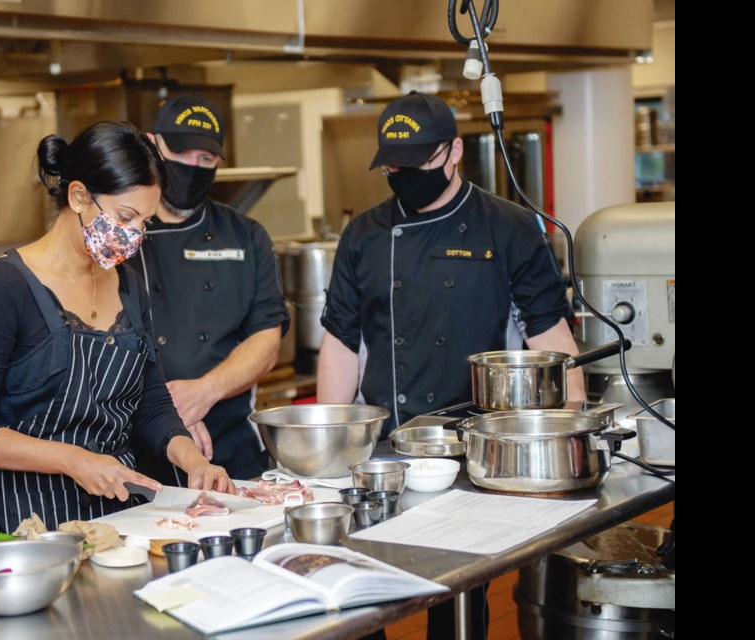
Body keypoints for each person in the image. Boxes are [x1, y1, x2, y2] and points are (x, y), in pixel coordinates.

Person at [317, 91, 585, 639]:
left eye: (420, 162)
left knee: (460, 590)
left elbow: (551, 339)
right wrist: (329, 443)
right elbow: (343, 342)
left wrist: (573, 427)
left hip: (474, 449)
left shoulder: (509, 227)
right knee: (363, 583)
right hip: (387, 446)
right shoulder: (364, 235)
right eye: (394, 166)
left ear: (454, 151)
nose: (407, 175)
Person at [0, 121, 234, 546]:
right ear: (79, 196)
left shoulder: (128, 284)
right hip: (25, 523)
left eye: (144, 222)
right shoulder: (5, 286)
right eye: (125, 217)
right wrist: (73, 460)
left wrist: (192, 460)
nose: (135, 234)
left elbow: (151, 404)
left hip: (118, 517)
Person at [127, 93, 290, 483]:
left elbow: (266, 341)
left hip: (228, 450)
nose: (192, 168)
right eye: (181, 154)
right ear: (153, 145)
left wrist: (204, 391)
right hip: (132, 453)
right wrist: (164, 409)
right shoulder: (121, 237)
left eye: (206, 159)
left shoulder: (246, 236)